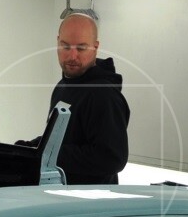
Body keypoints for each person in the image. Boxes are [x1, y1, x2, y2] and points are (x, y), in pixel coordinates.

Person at [15, 12, 130, 184]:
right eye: (66, 47)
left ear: (95, 47)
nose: (72, 56)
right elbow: (58, 140)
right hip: (57, 193)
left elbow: (112, 158)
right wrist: (14, 150)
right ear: (57, 42)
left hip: (89, 200)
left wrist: (46, 154)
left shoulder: (103, 94)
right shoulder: (62, 86)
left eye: (81, 48)